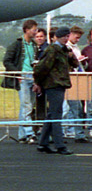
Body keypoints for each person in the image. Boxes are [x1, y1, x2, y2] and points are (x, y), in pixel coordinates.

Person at [32, 27, 73, 155]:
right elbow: (42, 68)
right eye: (64, 36)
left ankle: (42, 143)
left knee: (52, 114)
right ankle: (60, 145)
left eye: (67, 36)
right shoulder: (52, 50)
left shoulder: (63, 50)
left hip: (59, 84)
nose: (67, 39)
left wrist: (70, 55)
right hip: (53, 84)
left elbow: (75, 64)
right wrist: (38, 82)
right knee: (56, 115)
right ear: (58, 37)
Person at [2, 19, 39, 143]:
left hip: (32, 77)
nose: (35, 32)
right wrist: (16, 73)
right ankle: (29, 133)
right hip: (22, 77)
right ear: (27, 30)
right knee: (26, 105)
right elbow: (7, 61)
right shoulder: (16, 44)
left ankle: (21, 134)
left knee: (27, 106)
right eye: (34, 30)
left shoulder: (34, 45)